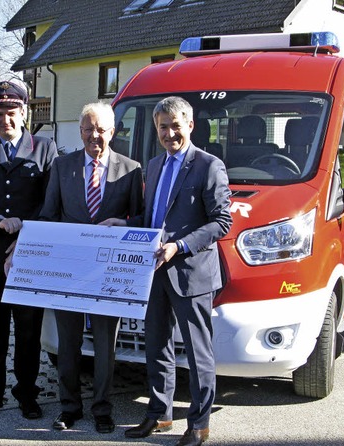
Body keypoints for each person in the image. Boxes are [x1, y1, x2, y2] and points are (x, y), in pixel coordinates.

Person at [102, 96, 232, 446]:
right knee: (156, 346)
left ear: (190, 125)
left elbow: (222, 222)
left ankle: (199, 424)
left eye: (176, 125)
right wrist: (126, 223)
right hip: (155, 271)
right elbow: (154, 219)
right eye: (163, 127)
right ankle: (159, 415)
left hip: (191, 274)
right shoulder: (155, 165)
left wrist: (180, 244)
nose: (169, 133)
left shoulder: (209, 165)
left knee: (198, 351)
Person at [37, 102, 144, 434]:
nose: (93, 135)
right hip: (70, 270)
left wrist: (123, 222)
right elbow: (48, 215)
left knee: (104, 346)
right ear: (79, 131)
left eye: (100, 129)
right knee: (67, 345)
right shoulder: (61, 166)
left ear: (112, 132)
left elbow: (140, 220)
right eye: (87, 129)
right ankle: (69, 407)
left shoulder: (130, 169)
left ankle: (102, 408)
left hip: (108, 275)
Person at [0, 80, 58, 420]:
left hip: (30, 254)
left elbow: (51, 200)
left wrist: (25, 230)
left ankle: (27, 394)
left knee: (28, 330)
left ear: (24, 112)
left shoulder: (45, 148)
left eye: (12, 112)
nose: (6, 120)